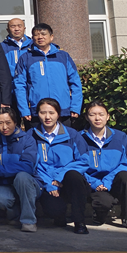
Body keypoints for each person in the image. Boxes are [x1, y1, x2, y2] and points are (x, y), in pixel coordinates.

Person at [80, 100, 127, 230]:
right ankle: (99, 213)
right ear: (86, 117)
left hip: (113, 180)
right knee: (103, 202)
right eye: (92, 114)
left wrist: (108, 181)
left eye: (101, 114)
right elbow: (76, 165)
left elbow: (126, 164)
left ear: (108, 116)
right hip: (93, 184)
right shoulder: (79, 138)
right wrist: (95, 183)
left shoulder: (121, 137)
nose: (97, 118)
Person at [32, 98, 90, 234]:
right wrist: (49, 184)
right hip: (47, 183)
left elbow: (83, 160)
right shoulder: (32, 136)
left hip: (69, 181)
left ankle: (79, 222)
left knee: (74, 176)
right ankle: (59, 216)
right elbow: (32, 164)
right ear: (37, 114)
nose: (47, 117)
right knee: (54, 209)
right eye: (43, 113)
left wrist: (60, 177)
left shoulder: (72, 134)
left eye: (51, 113)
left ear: (58, 114)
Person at [13, 23, 83, 127]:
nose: (40, 37)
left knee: (64, 137)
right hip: (36, 112)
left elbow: (75, 82)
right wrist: (24, 110)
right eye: (36, 35)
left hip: (63, 110)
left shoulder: (63, 56)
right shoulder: (26, 58)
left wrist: (75, 107)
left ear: (51, 37)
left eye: (43, 34)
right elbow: (19, 85)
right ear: (32, 38)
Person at [0, 107, 41, 233]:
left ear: (15, 122)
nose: (4, 127)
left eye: (8, 123)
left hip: (29, 184)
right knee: (0, 199)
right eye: (0, 123)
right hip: (5, 185)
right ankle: (15, 215)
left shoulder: (27, 140)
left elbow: (27, 166)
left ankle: (28, 221)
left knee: (22, 176)